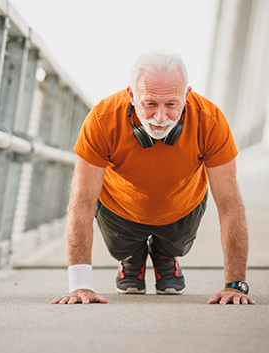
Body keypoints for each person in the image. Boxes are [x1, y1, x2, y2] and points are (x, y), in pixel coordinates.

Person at [51, 50, 256, 305]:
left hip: (182, 206)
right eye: (150, 104)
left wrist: (236, 285)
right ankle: (132, 256)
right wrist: (80, 286)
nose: (160, 118)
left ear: (187, 96)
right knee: (121, 247)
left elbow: (230, 205)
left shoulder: (210, 120)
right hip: (120, 208)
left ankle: (165, 254)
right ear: (131, 96)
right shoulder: (102, 120)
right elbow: (81, 202)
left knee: (175, 245)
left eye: (171, 104)